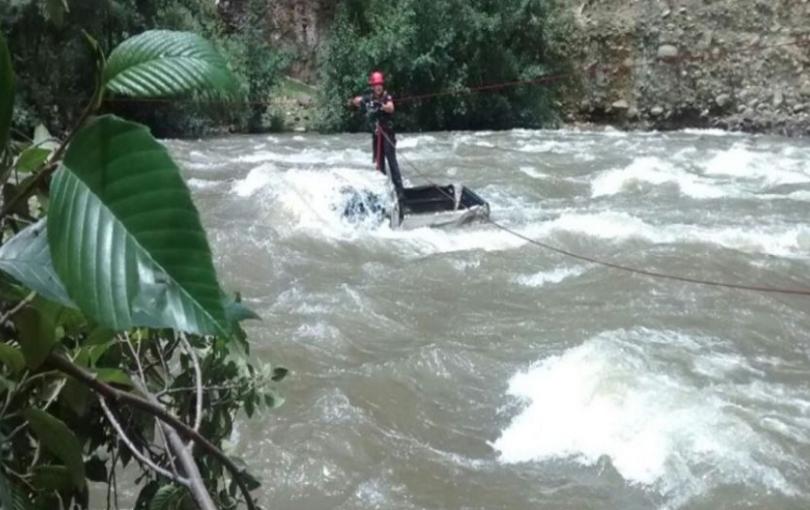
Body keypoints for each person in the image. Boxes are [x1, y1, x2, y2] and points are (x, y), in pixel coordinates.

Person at [348, 71, 405, 199]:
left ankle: (400, 192)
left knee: (391, 161)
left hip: (387, 135)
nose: (378, 87)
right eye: (376, 85)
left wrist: (381, 106)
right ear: (372, 86)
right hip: (376, 136)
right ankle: (383, 192)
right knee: (379, 163)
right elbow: (357, 101)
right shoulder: (370, 97)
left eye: (380, 84)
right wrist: (361, 101)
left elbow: (391, 107)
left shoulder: (387, 96)